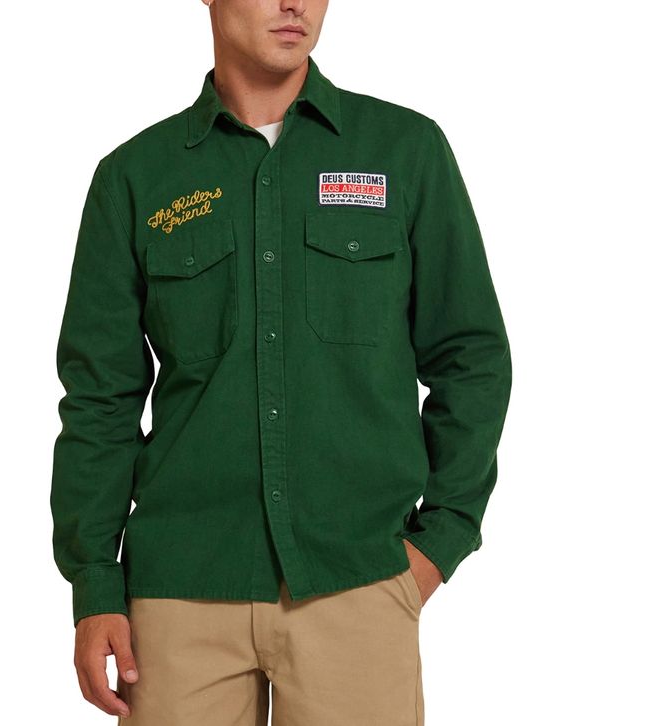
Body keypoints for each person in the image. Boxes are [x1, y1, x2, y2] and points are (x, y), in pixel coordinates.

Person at [50, 1, 513, 723]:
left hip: (357, 581)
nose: (295, 3)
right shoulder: (135, 177)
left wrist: (440, 541)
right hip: (179, 594)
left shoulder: (405, 151)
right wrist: (94, 585)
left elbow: (471, 355)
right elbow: (100, 398)